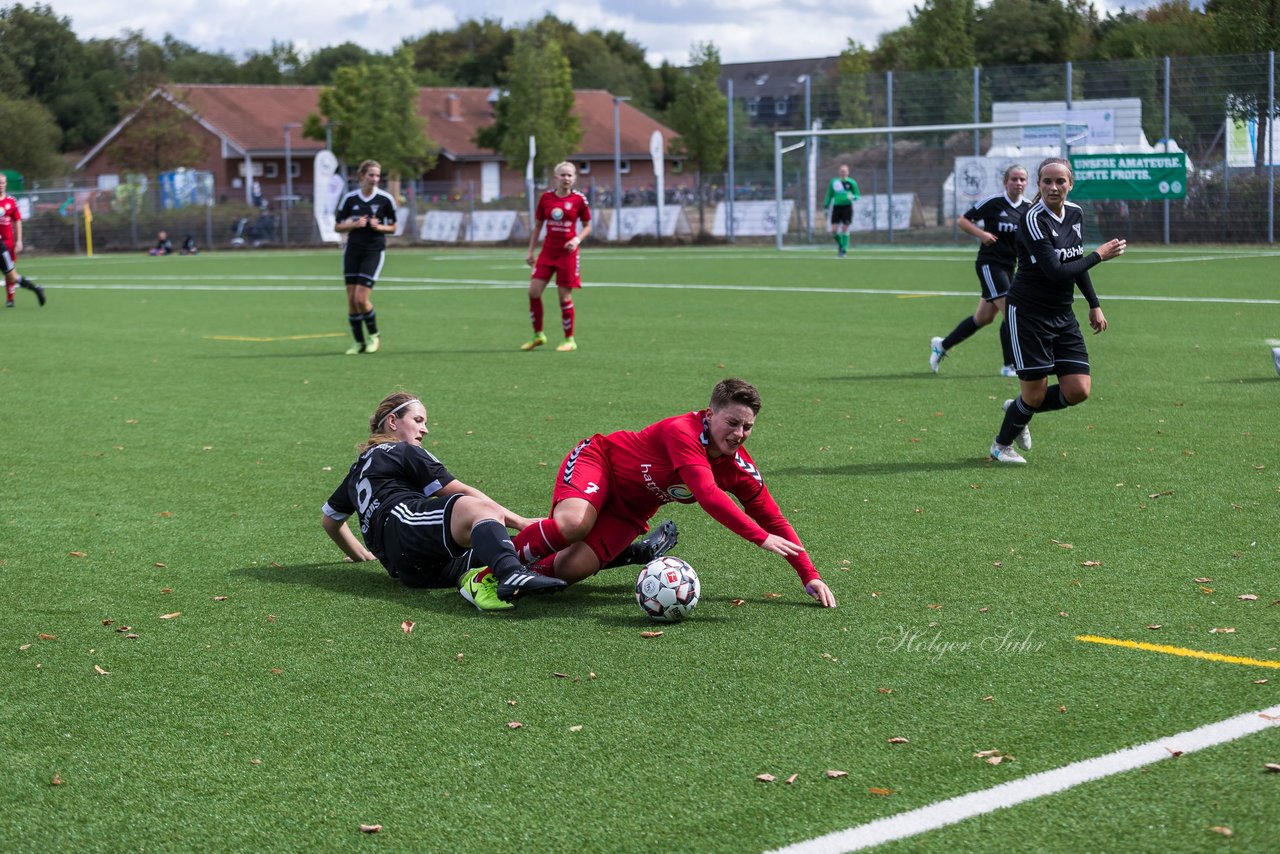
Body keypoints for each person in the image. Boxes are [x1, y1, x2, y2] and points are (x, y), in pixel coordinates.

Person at [511, 378, 838, 608]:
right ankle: (492, 571)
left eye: (747, 427)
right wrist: (759, 538)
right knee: (574, 525)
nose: (739, 434)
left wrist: (810, 575)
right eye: (732, 422)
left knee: (571, 568)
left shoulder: (739, 469)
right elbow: (709, 495)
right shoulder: (682, 432)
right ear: (710, 415)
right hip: (599, 464)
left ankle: (499, 554)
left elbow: (774, 519)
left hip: (632, 510)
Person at [321, 391, 568, 611]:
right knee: (475, 508)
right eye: (418, 420)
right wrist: (521, 521)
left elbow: (330, 520)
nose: (425, 429)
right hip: (405, 526)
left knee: (513, 548)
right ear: (393, 421)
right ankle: (513, 574)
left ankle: (482, 581)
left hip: (415, 569)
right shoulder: (401, 450)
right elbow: (457, 490)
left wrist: (359, 554)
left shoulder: (356, 471)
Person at [989, 157, 1127, 464]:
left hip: (1063, 314)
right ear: (1038, 185)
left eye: (1060, 181)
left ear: (1070, 184)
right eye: (1047, 181)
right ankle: (1001, 446)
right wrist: (1100, 255)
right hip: (1028, 313)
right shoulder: (1032, 219)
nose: (1054, 187)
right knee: (1035, 394)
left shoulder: (1075, 213)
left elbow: (1074, 261)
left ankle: (1017, 408)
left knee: (1078, 389)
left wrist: (1094, 303)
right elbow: (1055, 271)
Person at [931, 164, 1030, 377]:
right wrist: (982, 234)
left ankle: (942, 345)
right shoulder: (993, 203)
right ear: (1006, 182)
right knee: (1011, 310)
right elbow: (963, 220)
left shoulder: (1028, 208)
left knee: (983, 318)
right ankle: (1009, 366)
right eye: (1014, 179)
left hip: (1009, 266)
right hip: (989, 264)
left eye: (1022, 179)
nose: (1018, 183)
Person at [522, 161, 592, 352]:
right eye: (563, 175)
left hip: (567, 254)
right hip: (548, 252)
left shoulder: (579, 200)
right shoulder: (546, 198)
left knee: (564, 297)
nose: (566, 178)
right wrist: (530, 251)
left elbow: (587, 226)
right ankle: (538, 335)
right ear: (556, 177)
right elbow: (537, 226)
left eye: (570, 175)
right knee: (533, 292)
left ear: (575, 178)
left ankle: (569, 339)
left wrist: (576, 240)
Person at [334, 160, 397, 355]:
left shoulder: (386, 199)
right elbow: (337, 226)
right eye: (371, 175)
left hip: (373, 251)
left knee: (361, 297)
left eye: (378, 176)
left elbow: (394, 227)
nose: (375, 179)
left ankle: (374, 336)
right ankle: (358, 342)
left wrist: (380, 228)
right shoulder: (350, 199)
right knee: (352, 299)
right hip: (353, 250)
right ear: (362, 176)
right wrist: (354, 224)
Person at [0, 174, 45, 307]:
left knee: (12, 277)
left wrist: (19, 241)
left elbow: (17, 220)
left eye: (3, 182)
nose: (1, 185)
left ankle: (36, 289)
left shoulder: (10, 202)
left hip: (2, 247)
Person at [823, 164, 860, 258]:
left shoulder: (852, 182)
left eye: (845, 171)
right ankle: (840, 244)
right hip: (836, 207)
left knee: (845, 228)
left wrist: (853, 197)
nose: (843, 172)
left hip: (847, 207)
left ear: (848, 172)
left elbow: (857, 196)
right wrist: (826, 206)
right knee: (834, 230)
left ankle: (844, 250)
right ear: (839, 172)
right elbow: (829, 195)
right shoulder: (834, 182)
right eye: (841, 171)